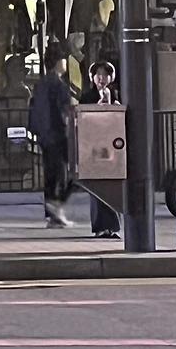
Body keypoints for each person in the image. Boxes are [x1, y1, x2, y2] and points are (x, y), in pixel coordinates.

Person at [30, 44, 77, 227]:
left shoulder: (40, 84)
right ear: (60, 62)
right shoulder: (59, 85)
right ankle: (58, 205)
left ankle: (51, 214)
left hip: (44, 135)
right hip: (58, 133)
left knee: (50, 174)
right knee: (69, 173)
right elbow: (65, 111)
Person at [78, 60, 122, 240]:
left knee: (112, 186)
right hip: (94, 145)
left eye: (105, 75)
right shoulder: (87, 96)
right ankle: (99, 227)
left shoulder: (117, 94)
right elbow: (83, 118)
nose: (102, 78)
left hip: (112, 144)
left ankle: (112, 226)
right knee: (97, 187)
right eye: (99, 75)